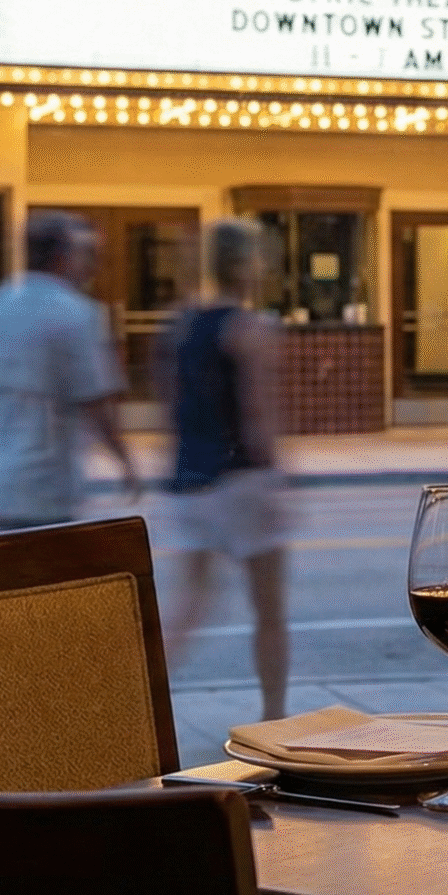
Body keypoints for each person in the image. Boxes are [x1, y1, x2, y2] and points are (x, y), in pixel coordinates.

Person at [159, 218, 294, 720]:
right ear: (243, 266)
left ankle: (138, 707)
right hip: (243, 480)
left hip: (190, 480)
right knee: (269, 612)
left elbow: (172, 404)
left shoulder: (180, 327)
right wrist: (278, 473)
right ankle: (274, 717)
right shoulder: (251, 328)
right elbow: (258, 415)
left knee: (188, 606)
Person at [0, 212, 141, 530]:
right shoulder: (77, 313)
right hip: (47, 488)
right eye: (85, 255)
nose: (91, 265)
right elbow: (96, 401)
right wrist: (124, 461)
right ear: (62, 257)